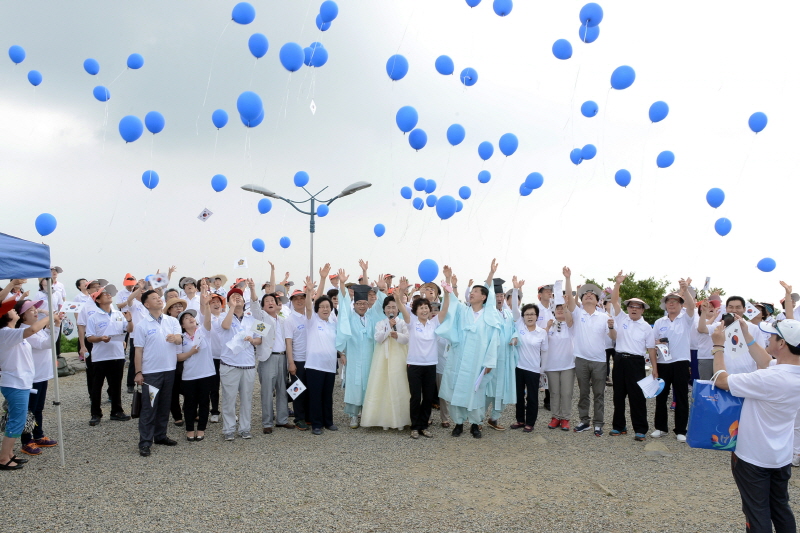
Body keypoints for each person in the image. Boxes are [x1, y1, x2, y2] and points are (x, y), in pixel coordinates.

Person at [710, 316, 800, 533]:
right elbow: (766, 359)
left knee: (756, 511)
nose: (767, 339)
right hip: (781, 456)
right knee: (780, 506)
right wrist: (746, 334)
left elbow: (721, 380)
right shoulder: (790, 372)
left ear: (782, 344)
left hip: (754, 457)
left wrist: (718, 346)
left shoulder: (770, 378)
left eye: (772, 336)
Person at [437, 260, 500, 439]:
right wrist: (448, 278)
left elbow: (493, 341)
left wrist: (489, 362)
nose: (471, 294)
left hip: (478, 361)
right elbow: (452, 301)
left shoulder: (489, 316)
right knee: (458, 388)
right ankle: (458, 423)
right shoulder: (463, 312)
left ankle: (475, 423)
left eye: (475, 292)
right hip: (460, 358)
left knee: (476, 391)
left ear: (484, 297)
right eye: (471, 291)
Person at [0, 282, 59, 470]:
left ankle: (9, 454)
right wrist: (49, 317)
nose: (14, 312)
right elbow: (32, 330)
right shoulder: (5, 333)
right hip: (15, 383)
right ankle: (3, 459)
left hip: (21, 382)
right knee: (17, 421)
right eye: (12, 310)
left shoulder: (11, 332)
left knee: (18, 419)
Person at [336, 262, 387, 429]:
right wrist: (342, 284)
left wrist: (380, 290)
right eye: (359, 304)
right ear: (355, 305)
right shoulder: (350, 317)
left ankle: (368, 414)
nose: (362, 306)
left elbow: (380, 305)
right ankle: (353, 416)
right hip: (354, 356)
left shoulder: (372, 316)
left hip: (370, 357)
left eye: (364, 303)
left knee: (369, 384)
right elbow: (343, 305)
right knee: (354, 386)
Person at [133, 289, 182, 457]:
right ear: (147, 304)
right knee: (149, 407)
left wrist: (176, 339)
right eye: (154, 298)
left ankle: (160, 436)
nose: (159, 300)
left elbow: (180, 338)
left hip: (169, 370)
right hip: (151, 373)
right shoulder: (142, 325)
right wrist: (138, 372)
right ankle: (145, 441)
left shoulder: (171, 321)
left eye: (159, 297)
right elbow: (138, 351)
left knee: (164, 405)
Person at [608, 271, 656, 442]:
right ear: (628, 308)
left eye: (638, 307)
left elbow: (651, 349)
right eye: (631, 306)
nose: (634, 309)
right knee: (618, 395)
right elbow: (614, 300)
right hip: (619, 360)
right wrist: (618, 283)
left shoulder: (646, 328)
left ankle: (640, 429)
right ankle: (619, 426)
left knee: (637, 397)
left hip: (636, 362)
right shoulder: (622, 319)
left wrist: (655, 370)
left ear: (642, 310)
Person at [564, 267, 610, 436]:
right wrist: (568, 278)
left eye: (592, 294)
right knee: (583, 393)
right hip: (581, 359)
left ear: (598, 300)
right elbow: (569, 298)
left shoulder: (604, 317)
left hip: (599, 360)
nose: (588, 295)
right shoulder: (577, 313)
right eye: (585, 294)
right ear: (581, 300)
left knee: (599, 394)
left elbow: (613, 335)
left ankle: (598, 423)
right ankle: (584, 421)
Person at [249, 271, 296, 434]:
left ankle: (282, 420)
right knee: (267, 391)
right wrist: (253, 289)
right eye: (266, 301)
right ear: (263, 306)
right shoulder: (261, 318)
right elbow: (255, 305)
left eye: (272, 301)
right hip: (267, 359)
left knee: (282, 390)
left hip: (282, 358)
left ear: (278, 305)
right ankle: (267, 422)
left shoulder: (283, 320)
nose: (269, 302)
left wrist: (290, 361)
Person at [651, 279, 695, 442]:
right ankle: (661, 428)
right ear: (665, 305)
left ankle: (681, 430)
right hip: (663, 363)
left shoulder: (686, 319)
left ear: (681, 304)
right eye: (669, 301)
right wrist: (657, 344)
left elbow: (692, 307)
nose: (671, 304)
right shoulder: (659, 322)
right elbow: (651, 343)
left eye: (675, 301)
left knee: (681, 396)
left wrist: (685, 289)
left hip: (681, 362)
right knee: (661, 396)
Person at [395, 276, 439, 438]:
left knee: (428, 398)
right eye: (420, 308)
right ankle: (414, 426)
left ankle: (424, 425)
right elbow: (400, 305)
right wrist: (401, 291)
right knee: (415, 397)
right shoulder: (412, 322)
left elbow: (446, 309)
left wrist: (448, 292)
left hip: (430, 364)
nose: (424, 310)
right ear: (416, 311)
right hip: (414, 365)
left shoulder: (434, 323)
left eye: (426, 307)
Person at [216, 285, 262, 441]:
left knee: (247, 398)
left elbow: (260, 339)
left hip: (248, 363)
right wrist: (231, 308)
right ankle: (228, 429)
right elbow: (225, 326)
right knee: (229, 398)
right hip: (230, 364)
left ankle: (245, 428)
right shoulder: (223, 316)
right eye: (233, 297)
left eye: (240, 297)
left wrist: (252, 339)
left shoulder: (252, 318)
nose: (237, 299)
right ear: (229, 301)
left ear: (244, 300)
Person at [361, 292, 411, 431]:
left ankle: (401, 419)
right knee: (382, 384)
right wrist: (388, 327)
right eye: (388, 307)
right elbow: (378, 338)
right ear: (384, 309)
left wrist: (397, 335)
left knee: (398, 383)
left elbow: (407, 338)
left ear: (398, 309)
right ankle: (382, 419)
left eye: (394, 307)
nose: (391, 310)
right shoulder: (380, 323)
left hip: (399, 356)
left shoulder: (402, 323)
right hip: (382, 357)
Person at [16, 298, 60, 456]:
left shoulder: (36, 327)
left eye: (35, 309)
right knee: (29, 410)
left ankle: (38, 435)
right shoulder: (25, 330)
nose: (35, 312)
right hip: (32, 377)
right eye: (31, 310)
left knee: (38, 408)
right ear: (22, 315)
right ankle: (26, 440)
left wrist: (55, 326)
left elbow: (47, 339)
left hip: (41, 374)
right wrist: (54, 325)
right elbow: (45, 344)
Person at [303, 269, 344, 435]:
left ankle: (328, 421)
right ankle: (317, 424)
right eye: (322, 307)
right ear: (317, 308)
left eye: (328, 306)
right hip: (314, 365)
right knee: (315, 396)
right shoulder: (312, 320)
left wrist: (342, 355)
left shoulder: (332, 322)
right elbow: (308, 307)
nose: (326, 309)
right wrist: (315, 286)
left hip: (329, 365)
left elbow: (339, 342)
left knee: (328, 396)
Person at [85, 284, 133, 426]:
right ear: (98, 300)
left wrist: (129, 320)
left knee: (116, 385)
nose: (108, 295)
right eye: (104, 294)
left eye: (108, 294)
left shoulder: (119, 314)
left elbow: (129, 329)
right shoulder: (93, 317)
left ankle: (116, 411)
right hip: (100, 356)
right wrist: (101, 338)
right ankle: (95, 413)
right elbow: (89, 337)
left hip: (117, 355)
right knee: (96, 386)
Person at [509, 282, 546, 433]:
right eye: (527, 314)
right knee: (518, 396)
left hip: (533, 369)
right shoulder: (519, 326)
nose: (529, 316)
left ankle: (530, 422)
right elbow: (513, 307)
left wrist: (542, 371)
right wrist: (516, 289)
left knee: (532, 397)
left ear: (537, 316)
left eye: (532, 314)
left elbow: (544, 352)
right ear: (523, 316)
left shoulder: (541, 332)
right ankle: (520, 420)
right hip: (519, 367)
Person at [178, 295, 215, 442]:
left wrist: (206, 305)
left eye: (191, 316)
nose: (190, 318)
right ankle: (189, 429)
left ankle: (201, 428)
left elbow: (207, 320)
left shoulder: (203, 332)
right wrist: (190, 352)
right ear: (182, 324)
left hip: (206, 373)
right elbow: (178, 358)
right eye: (186, 318)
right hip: (189, 375)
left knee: (204, 402)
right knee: (189, 403)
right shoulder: (180, 338)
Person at [484, 278, 518, 431]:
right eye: (496, 295)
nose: (499, 298)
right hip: (493, 358)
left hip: (507, 359)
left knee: (504, 389)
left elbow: (516, 328)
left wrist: (515, 336)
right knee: (487, 390)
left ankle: (494, 418)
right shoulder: (488, 314)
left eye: (501, 295)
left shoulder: (508, 314)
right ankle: (477, 420)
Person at [541, 294, 575, 432]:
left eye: (563, 308)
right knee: (554, 392)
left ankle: (565, 418)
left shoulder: (571, 325)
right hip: (551, 365)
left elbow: (570, 319)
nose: (560, 310)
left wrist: (567, 307)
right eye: (557, 308)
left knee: (566, 392)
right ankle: (555, 417)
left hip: (568, 365)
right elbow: (541, 341)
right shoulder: (549, 324)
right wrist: (547, 328)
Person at [285, 287, 311, 430]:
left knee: (310, 389)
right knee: (297, 390)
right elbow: (288, 342)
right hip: (298, 360)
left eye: (302, 298)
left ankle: (308, 417)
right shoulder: (290, 319)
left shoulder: (310, 315)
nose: (299, 301)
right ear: (292, 302)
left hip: (312, 360)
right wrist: (291, 362)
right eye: (296, 299)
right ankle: (299, 418)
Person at [164, 297, 187, 427]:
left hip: (188, 359)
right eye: (175, 306)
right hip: (172, 360)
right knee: (173, 390)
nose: (179, 308)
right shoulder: (167, 324)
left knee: (188, 388)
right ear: (169, 310)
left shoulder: (188, 321)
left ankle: (190, 410)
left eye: (180, 306)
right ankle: (177, 416)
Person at [205, 292, 226, 423]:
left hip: (227, 357)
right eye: (213, 302)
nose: (216, 304)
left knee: (228, 386)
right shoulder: (207, 318)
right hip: (212, 356)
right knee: (214, 386)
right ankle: (214, 411)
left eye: (218, 302)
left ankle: (229, 411)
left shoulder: (226, 316)